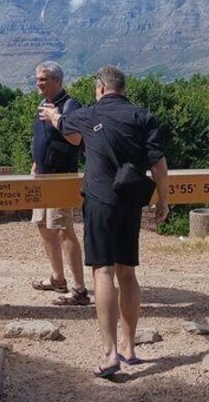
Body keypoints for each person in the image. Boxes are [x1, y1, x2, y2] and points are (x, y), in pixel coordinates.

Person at [38, 65, 169, 378]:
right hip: (130, 201)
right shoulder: (143, 116)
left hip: (99, 201)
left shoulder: (89, 113)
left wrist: (53, 116)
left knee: (103, 272)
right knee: (128, 273)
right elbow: (159, 163)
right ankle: (129, 347)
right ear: (123, 88)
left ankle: (110, 354)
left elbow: (65, 127)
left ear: (100, 87)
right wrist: (163, 199)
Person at [29, 62, 89, 306]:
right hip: (42, 177)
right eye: (37, 79)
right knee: (43, 226)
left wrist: (56, 119)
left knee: (64, 230)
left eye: (43, 79)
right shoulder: (43, 104)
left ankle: (80, 290)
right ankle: (57, 278)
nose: (38, 83)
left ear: (57, 80)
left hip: (61, 178)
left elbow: (76, 139)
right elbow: (41, 139)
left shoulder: (70, 106)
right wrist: (35, 163)